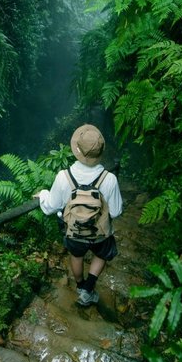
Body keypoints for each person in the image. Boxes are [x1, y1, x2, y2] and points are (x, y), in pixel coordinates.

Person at [36, 124, 123, 307]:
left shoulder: (63, 176)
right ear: (100, 151)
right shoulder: (109, 179)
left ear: (77, 149)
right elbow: (115, 211)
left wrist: (43, 194)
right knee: (102, 254)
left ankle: (80, 286)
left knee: (76, 256)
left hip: (74, 232)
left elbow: (51, 207)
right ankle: (88, 290)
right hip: (99, 234)